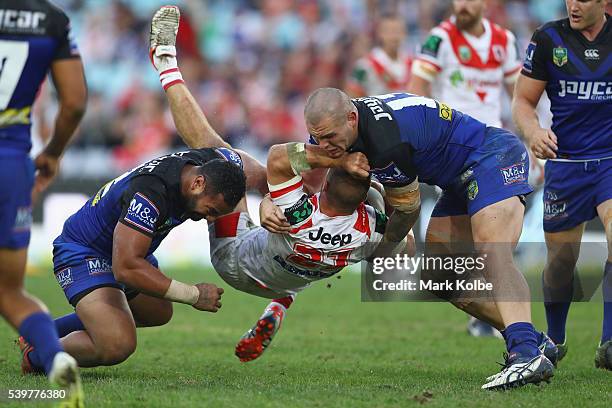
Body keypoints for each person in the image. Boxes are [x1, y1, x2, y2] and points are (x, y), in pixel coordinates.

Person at [147, 6, 400, 364]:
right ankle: (280, 304)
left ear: (326, 185)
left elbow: (279, 158)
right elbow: (397, 237)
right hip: (288, 277)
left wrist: (333, 163)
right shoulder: (370, 232)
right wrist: (382, 185)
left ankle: (165, 64)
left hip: (235, 258)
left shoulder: (298, 210)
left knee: (220, 156)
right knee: (310, 261)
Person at [280, 86, 556, 390]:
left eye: (330, 137)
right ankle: (536, 343)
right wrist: (271, 202)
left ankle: (525, 353)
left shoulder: (386, 142)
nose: (325, 145)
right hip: (457, 179)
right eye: (317, 137)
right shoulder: (334, 128)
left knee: (493, 251)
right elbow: (288, 159)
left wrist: (381, 252)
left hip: (491, 156)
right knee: (441, 278)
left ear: (352, 118)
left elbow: (408, 209)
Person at [408, 0, 522, 338]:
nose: (461, 5)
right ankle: (497, 313)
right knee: (462, 249)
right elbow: (417, 92)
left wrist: (532, 146)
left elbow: (519, 97)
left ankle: (503, 317)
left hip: (494, 149)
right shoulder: (438, 40)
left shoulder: (505, 41)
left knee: (492, 241)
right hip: (454, 149)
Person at [512, 0, 611, 370]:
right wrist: (534, 131)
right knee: (560, 263)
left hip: (609, 162)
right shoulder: (548, 38)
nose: (574, 4)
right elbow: (523, 101)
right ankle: (554, 338)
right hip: (565, 165)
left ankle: (609, 342)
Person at [0, 0, 86, 404]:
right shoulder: (51, 19)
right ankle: (54, 360)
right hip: (11, 163)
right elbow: (74, 102)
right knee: (10, 291)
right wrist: (52, 152)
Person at [346, 14, 413, 98]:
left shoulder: (413, 64)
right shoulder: (364, 65)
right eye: (389, 31)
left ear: (405, 33)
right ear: (380, 33)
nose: (394, 36)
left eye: (398, 31)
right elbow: (353, 97)